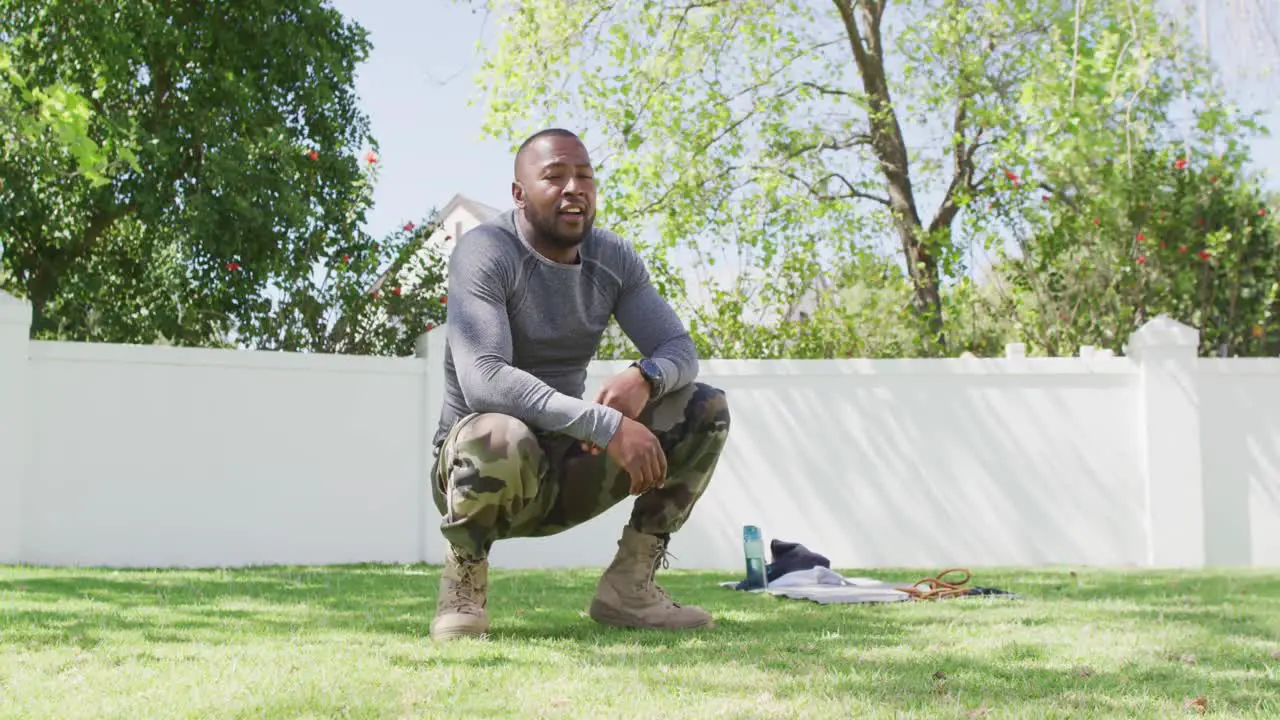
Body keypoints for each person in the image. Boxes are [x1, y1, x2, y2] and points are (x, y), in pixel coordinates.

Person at [427, 127, 731, 641]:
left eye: (585, 176)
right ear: (519, 193)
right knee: (498, 432)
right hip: (480, 471)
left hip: (566, 465)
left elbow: (680, 351)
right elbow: (486, 381)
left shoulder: (613, 259)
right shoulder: (486, 253)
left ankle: (629, 589)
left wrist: (646, 377)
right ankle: (464, 581)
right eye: (555, 176)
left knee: (703, 408)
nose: (575, 188)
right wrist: (606, 423)